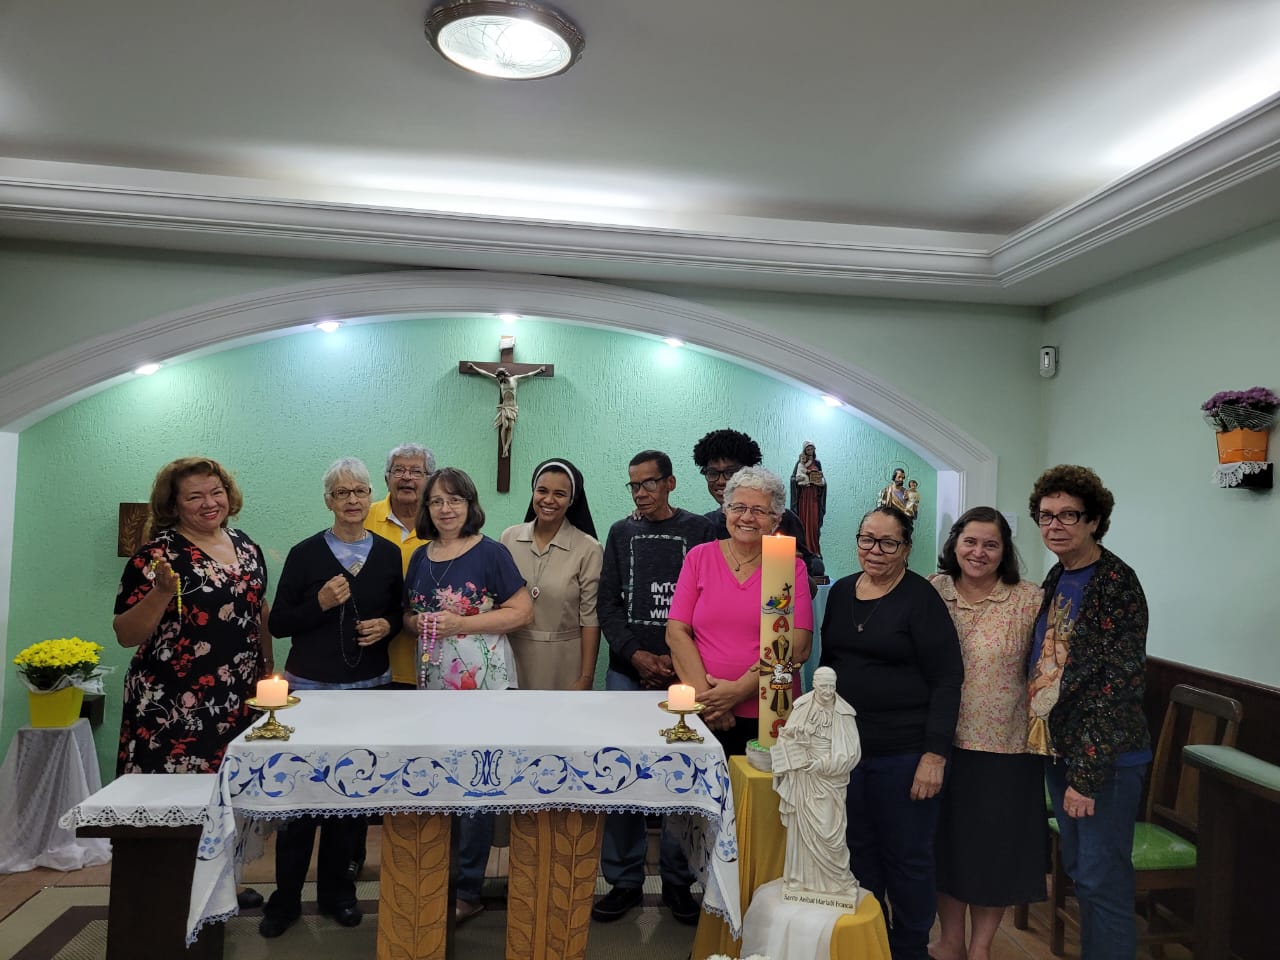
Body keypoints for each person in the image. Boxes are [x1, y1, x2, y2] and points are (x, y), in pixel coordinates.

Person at [112, 456, 272, 910]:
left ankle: (223, 884)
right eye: (194, 496)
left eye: (215, 492)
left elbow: (258, 610)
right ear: (173, 504)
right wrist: (162, 592)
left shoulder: (246, 546)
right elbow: (126, 634)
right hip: (171, 706)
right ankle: (169, 892)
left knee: (227, 793)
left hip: (235, 698)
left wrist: (267, 669)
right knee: (176, 799)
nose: (209, 503)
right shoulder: (156, 556)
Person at [259, 458, 404, 938]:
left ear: (370, 497)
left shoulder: (388, 553)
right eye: (342, 493)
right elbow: (280, 623)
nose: (353, 500)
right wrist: (319, 603)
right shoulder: (305, 554)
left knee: (352, 798)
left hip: (369, 688)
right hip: (311, 690)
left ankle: (338, 894)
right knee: (300, 799)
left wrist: (387, 625)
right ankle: (285, 899)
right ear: (328, 501)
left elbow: (401, 611)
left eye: (360, 491)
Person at [820, 506, 963, 960]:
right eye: (867, 539)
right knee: (858, 853)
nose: (875, 550)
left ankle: (910, 948)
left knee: (907, 858)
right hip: (847, 752)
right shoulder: (841, 592)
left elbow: (948, 679)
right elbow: (829, 665)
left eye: (888, 542)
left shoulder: (921, 599)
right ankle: (871, 942)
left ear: (906, 548)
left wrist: (934, 756)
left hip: (905, 754)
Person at [1027, 465, 1150, 960]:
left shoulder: (1115, 583)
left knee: (1102, 880)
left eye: (1068, 515)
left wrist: (1086, 777)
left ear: (1094, 520)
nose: (1055, 525)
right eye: (1046, 515)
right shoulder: (1060, 574)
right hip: (1064, 750)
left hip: (1105, 760)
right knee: (1083, 874)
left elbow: (1117, 686)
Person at [403, 467, 533, 923]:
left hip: (485, 682)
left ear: (469, 505)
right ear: (427, 508)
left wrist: (462, 623)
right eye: (437, 501)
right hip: (433, 682)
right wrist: (416, 622)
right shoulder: (419, 556)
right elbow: (408, 616)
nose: (446, 509)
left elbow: (522, 612)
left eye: (455, 500)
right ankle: (437, 879)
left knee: (476, 784)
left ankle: (469, 888)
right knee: (440, 780)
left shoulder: (491, 552)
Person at [594, 449, 717, 926]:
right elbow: (607, 604)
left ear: (670, 483)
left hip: (685, 676)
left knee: (678, 774)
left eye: (649, 483)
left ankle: (677, 881)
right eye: (634, 485)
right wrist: (636, 656)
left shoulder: (700, 531)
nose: (640, 493)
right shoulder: (620, 532)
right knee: (620, 771)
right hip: (628, 671)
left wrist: (679, 663)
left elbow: (710, 602)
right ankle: (623, 880)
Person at [928, 507, 1045, 960]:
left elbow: (1051, 667)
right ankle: (950, 941)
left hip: (1005, 748)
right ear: (955, 544)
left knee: (992, 855)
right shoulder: (932, 591)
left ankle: (980, 949)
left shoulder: (1028, 599)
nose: (979, 552)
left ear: (1004, 551)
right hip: (939, 742)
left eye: (990, 544)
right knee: (947, 847)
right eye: (970, 542)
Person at [667, 466, 812, 756]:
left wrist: (738, 691)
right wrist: (711, 702)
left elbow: (798, 647)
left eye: (759, 511)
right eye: (739, 507)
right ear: (725, 510)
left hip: (771, 714)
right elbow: (676, 633)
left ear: (776, 519)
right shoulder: (699, 558)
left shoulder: (790, 567)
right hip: (706, 710)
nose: (747, 517)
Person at [500, 458, 603, 690]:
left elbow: (590, 619)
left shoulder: (588, 548)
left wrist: (586, 678)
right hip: (512, 657)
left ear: (572, 499)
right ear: (533, 492)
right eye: (542, 491)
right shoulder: (508, 538)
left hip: (564, 662)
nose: (548, 500)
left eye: (559, 494)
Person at [772, 666, 861, 898]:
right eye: (823, 687)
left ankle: (838, 881)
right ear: (814, 684)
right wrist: (794, 737)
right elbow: (786, 737)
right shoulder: (802, 706)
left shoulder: (844, 713)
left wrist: (822, 764)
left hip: (829, 778)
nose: (828, 691)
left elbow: (851, 753)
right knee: (800, 832)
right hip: (803, 776)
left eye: (832, 686)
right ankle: (799, 879)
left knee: (831, 832)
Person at [693, 428, 819, 575]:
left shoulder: (783, 519)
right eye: (712, 473)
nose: (720, 481)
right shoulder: (705, 524)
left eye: (730, 473)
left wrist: (793, 568)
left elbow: (812, 574)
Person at [364, 442, 434, 689]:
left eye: (416, 471)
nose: (406, 477)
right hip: (372, 661)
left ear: (430, 480)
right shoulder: (364, 518)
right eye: (398, 470)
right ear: (386, 479)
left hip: (432, 664)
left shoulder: (443, 522)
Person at [464, 363, 547, 457]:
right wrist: (474, 367)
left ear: (504, 374)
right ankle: (504, 447)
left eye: (500, 376)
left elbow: (528, 375)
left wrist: (539, 370)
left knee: (511, 427)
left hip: (513, 407)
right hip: (505, 407)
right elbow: (485, 373)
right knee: (505, 425)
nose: (499, 378)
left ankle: (506, 447)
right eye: (498, 377)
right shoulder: (499, 381)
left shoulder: (515, 379)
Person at [789, 441, 827, 556]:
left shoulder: (817, 463)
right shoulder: (800, 462)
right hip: (804, 498)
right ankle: (803, 548)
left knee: (814, 524)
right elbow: (793, 479)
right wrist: (801, 480)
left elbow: (822, 479)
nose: (810, 451)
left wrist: (819, 482)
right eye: (808, 449)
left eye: (812, 449)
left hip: (814, 497)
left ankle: (814, 549)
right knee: (803, 522)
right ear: (805, 451)